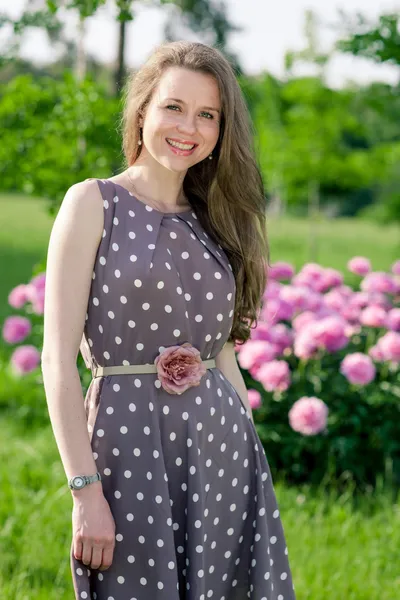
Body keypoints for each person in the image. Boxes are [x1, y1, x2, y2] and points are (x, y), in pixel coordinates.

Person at [41, 40, 296, 600]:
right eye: (174, 107)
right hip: (127, 448)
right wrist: (85, 491)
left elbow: (221, 350)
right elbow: (57, 359)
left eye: (208, 115)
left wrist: (252, 453)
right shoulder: (93, 203)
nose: (189, 127)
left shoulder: (216, 219)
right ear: (142, 111)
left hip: (223, 449)